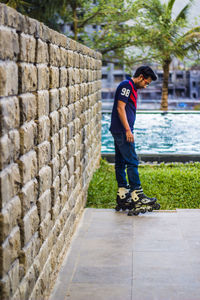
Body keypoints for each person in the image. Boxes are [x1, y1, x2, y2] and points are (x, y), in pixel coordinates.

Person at [109, 66, 160, 215]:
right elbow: (120, 108)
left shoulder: (131, 87)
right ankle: (137, 196)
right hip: (122, 131)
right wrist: (127, 130)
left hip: (119, 130)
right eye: (147, 83)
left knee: (120, 162)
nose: (146, 86)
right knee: (132, 161)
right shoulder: (127, 86)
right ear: (141, 77)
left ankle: (123, 194)